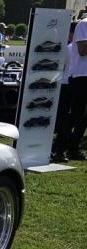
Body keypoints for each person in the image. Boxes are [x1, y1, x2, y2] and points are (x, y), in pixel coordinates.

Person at [62, 17, 87, 160]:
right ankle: (59, 147)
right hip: (80, 76)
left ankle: (73, 148)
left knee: (84, 118)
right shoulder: (84, 23)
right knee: (76, 115)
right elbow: (83, 50)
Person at [52, 22, 77, 162]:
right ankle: (59, 146)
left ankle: (60, 145)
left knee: (64, 118)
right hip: (67, 84)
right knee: (64, 119)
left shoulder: (69, 47)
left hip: (66, 84)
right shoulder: (70, 48)